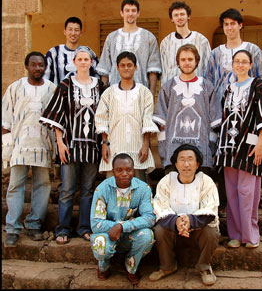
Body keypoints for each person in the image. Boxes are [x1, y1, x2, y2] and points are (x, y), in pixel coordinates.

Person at [40, 46, 103, 244]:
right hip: (70, 146)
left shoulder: (100, 86)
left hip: (92, 148)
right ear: (74, 62)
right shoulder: (65, 85)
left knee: (87, 189)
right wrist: (60, 143)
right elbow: (57, 114)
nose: (84, 62)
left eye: (87, 59)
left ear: (92, 63)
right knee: (67, 190)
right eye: (80, 59)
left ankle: (84, 227)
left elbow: (104, 114)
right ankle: (63, 229)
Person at [215, 50, 262, 249]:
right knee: (232, 193)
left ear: (250, 65)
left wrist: (261, 142)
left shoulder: (258, 86)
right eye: (237, 62)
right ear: (233, 65)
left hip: (250, 146)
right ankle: (235, 234)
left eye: (244, 62)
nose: (240, 65)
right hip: (228, 148)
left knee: (247, 191)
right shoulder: (229, 88)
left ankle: (250, 235)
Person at [2, 52, 56, 247]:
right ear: (26, 66)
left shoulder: (52, 89)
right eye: (33, 65)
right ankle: (13, 228)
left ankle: (34, 225)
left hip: (43, 146)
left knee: (43, 186)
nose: (37, 68)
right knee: (16, 186)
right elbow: (6, 119)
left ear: (45, 67)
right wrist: (7, 145)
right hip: (20, 144)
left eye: (41, 65)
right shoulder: (15, 88)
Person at [149, 144, 220, 286]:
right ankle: (167, 266)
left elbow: (210, 209)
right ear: (175, 163)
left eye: (190, 160)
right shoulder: (167, 180)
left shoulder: (206, 181)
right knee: (159, 230)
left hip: (197, 232)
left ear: (197, 163)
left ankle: (204, 267)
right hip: (174, 231)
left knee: (211, 233)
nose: (186, 164)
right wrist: (176, 222)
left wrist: (190, 221)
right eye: (182, 159)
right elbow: (159, 206)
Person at [153, 44, 222, 175]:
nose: (187, 63)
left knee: (200, 189)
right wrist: (164, 150)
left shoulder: (207, 87)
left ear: (196, 61)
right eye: (183, 59)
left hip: (201, 148)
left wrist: (211, 147)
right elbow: (161, 122)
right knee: (174, 188)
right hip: (173, 148)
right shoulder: (169, 86)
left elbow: (215, 121)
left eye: (190, 59)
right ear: (178, 62)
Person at [90, 153, 156, 285]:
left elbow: (149, 218)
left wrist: (122, 227)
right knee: (100, 243)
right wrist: (114, 228)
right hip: (108, 234)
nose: (124, 173)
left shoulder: (143, 189)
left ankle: (131, 266)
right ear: (113, 171)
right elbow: (96, 223)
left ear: (133, 170)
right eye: (119, 170)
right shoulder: (102, 189)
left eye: (128, 170)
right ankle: (104, 265)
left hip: (129, 233)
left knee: (147, 236)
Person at [95, 51, 159, 181]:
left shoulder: (144, 92)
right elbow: (101, 119)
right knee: (112, 185)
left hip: (138, 147)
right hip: (114, 147)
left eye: (129, 65)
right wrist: (104, 143)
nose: (126, 68)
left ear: (135, 67)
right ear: (117, 68)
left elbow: (147, 119)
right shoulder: (109, 93)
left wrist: (146, 145)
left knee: (138, 186)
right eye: (122, 65)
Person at [96, 0, 162, 97]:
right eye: (127, 10)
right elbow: (105, 68)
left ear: (138, 13)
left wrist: (151, 94)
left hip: (141, 91)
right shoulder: (111, 37)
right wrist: (103, 95)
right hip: (115, 92)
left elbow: (153, 69)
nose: (130, 13)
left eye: (133, 11)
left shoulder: (149, 37)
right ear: (122, 13)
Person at [206, 8, 262, 101]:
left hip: (247, 103)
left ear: (240, 25)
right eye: (226, 24)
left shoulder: (253, 50)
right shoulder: (215, 53)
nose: (229, 28)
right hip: (221, 104)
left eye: (233, 24)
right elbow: (208, 81)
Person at [160, 1, 211, 86]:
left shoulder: (201, 40)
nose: (179, 17)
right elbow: (163, 70)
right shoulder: (166, 42)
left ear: (188, 16)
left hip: (197, 89)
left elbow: (208, 68)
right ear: (172, 19)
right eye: (176, 15)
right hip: (173, 90)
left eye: (182, 14)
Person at [44, 16, 100, 85]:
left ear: (81, 32)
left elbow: (97, 75)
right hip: (59, 94)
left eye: (76, 30)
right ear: (65, 31)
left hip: (84, 94)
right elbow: (45, 77)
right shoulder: (54, 53)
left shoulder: (88, 52)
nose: (73, 33)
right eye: (70, 29)